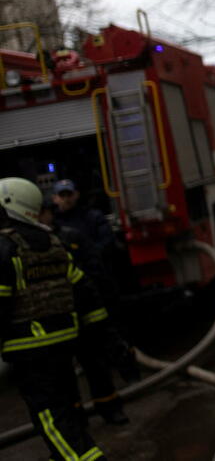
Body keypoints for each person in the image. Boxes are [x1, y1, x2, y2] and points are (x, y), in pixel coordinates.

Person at [0, 178, 110, 460]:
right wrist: (107, 338)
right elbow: (84, 291)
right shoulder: (54, 242)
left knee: (51, 420)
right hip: (64, 344)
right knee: (67, 414)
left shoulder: (5, 249)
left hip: (30, 350)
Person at [43, 193, 132, 426]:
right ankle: (75, 418)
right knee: (63, 376)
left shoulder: (70, 237)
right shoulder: (30, 245)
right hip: (55, 321)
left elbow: (94, 274)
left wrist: (103, 312)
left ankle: (110, 408)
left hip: (82, 315)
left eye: (45, 212)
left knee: (96, 364)